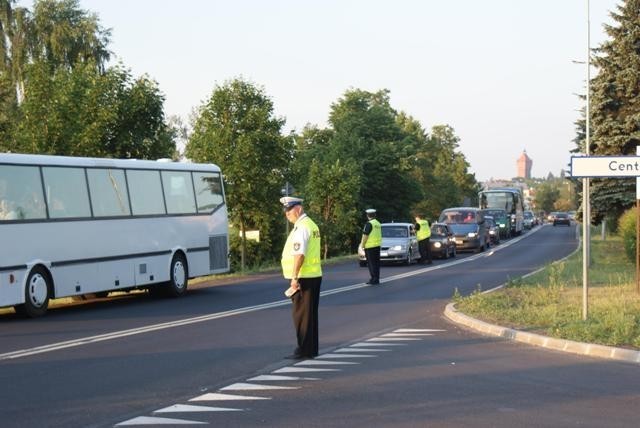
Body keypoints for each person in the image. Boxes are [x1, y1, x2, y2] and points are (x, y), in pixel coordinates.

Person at [280, 196, 322, 360]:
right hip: (313, 275)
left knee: (301, 315)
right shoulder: (310, 224)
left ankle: (304, 350)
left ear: (298, 209)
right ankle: (311, 349)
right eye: (286, 211)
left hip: (303, 277)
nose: (287, 214)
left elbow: (299, 255)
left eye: (289, 210)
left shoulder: (302, 227)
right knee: (309, 315)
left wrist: (294, 278)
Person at [361, 208, 381, 285]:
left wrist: (362, 245)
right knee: (376, 263)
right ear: (374, 215)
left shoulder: (369, 224)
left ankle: (373, 279)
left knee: (371, 263)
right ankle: (377, 278)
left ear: (367, 215)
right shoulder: (378, 223)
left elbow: (365, 235)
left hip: (370, 247)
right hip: (377, 246)